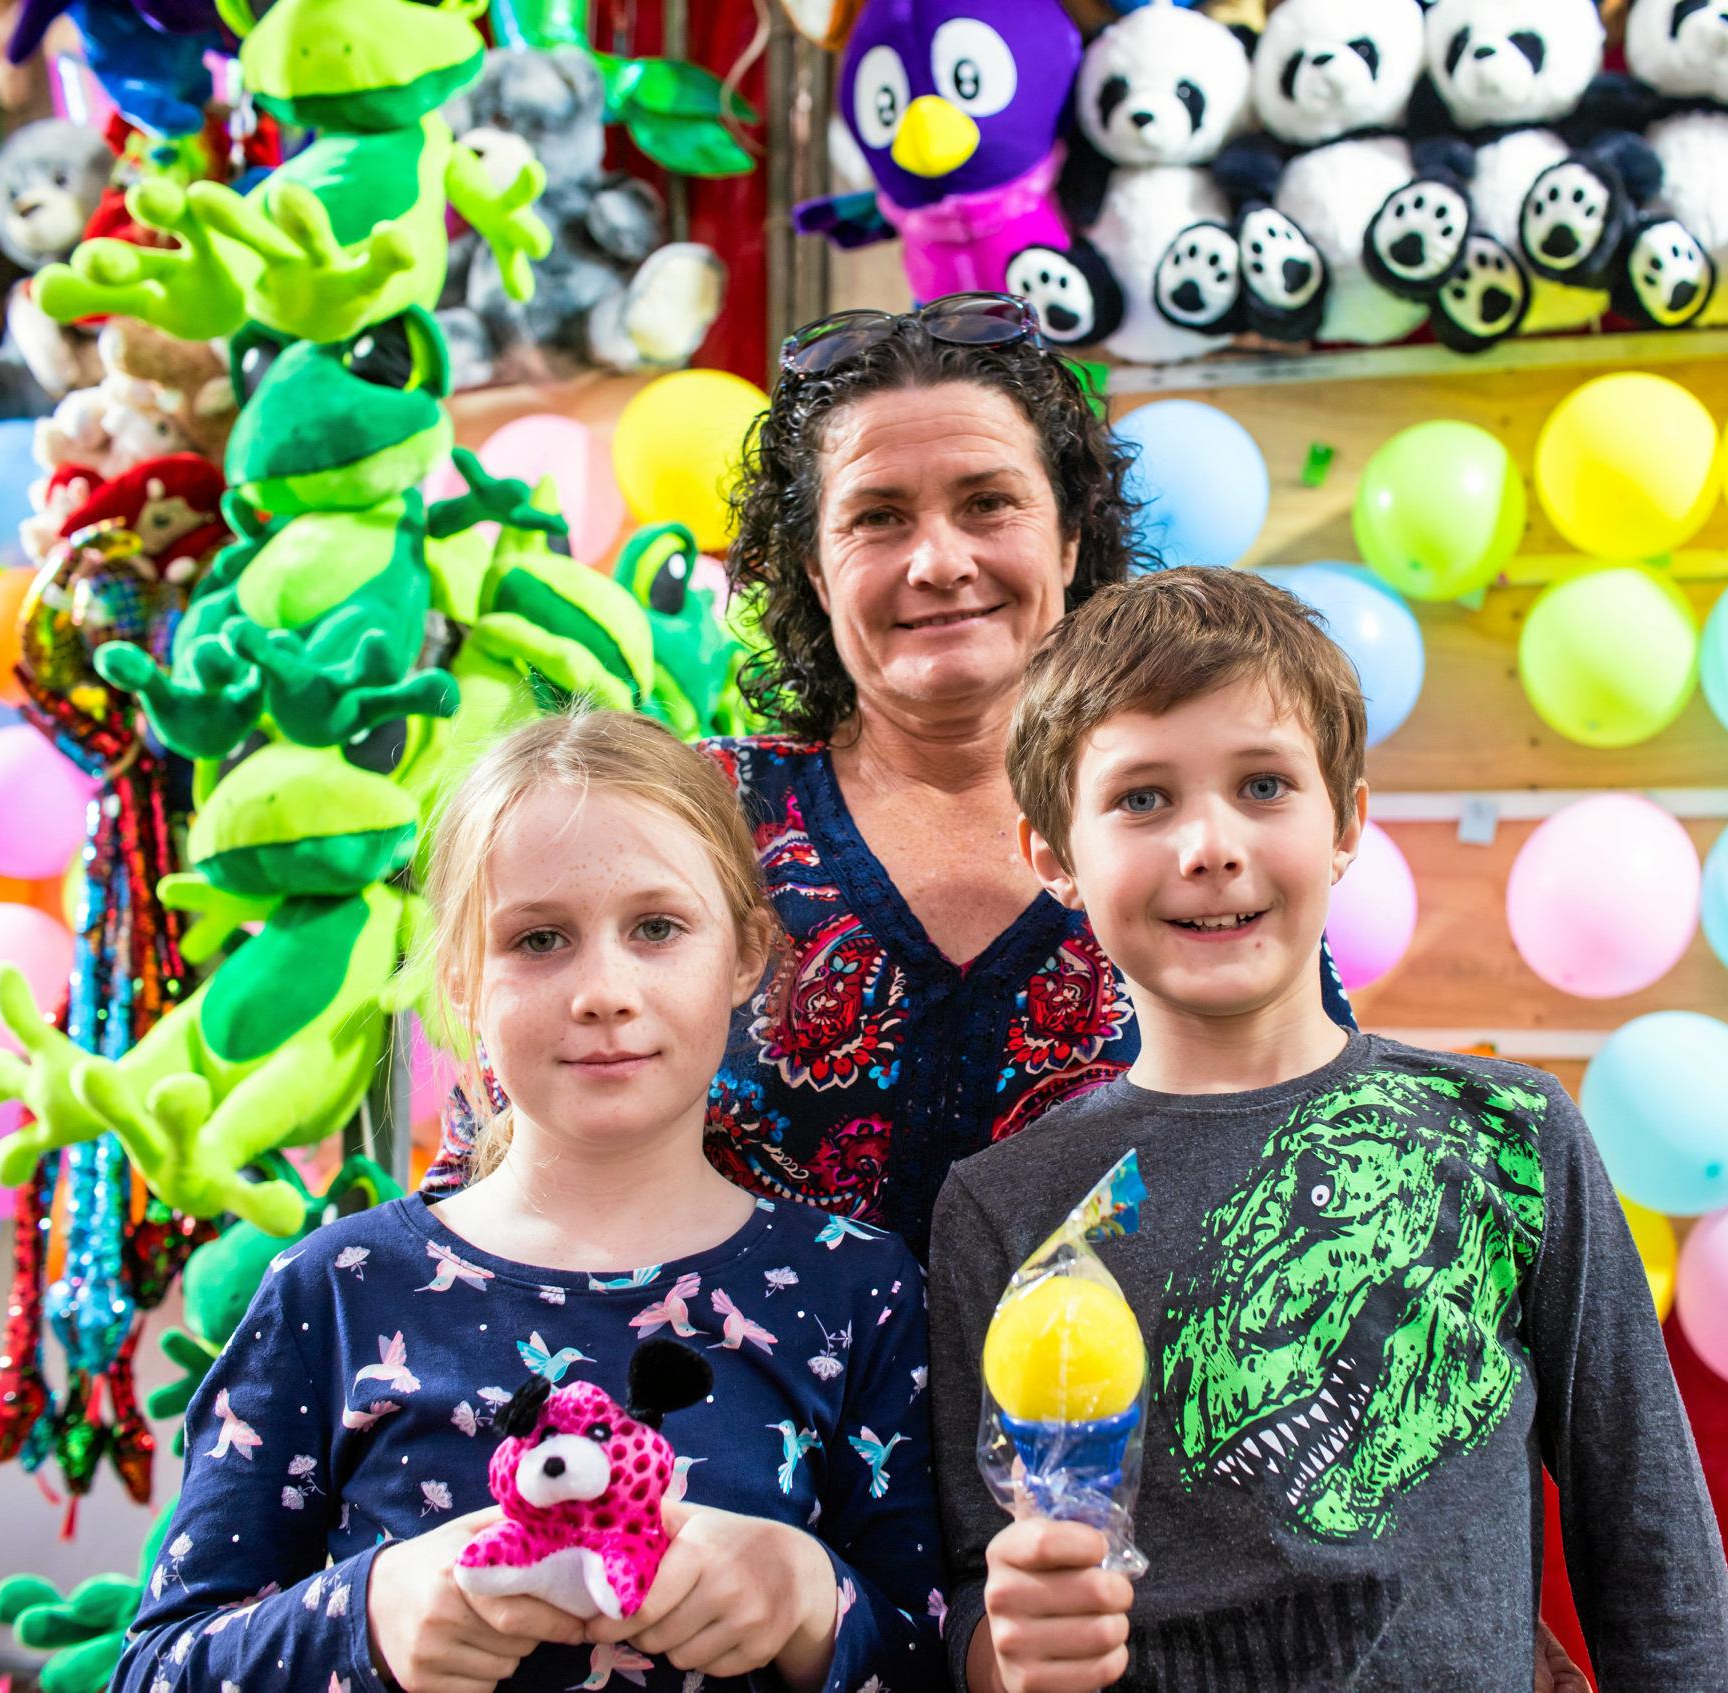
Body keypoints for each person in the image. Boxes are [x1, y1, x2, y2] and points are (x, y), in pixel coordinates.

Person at [926, 568, 1728, 1692]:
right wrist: (1005, 1640)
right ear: (1053, 854)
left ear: (1349, 819)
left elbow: (1648, 1539)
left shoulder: (1509, 1134)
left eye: (1263, 784)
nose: (1208, 845)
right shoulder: (1002, 1203)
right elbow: (982, 1581)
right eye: (1142, 798)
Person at [424, 292, 1353, 1261]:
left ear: (1069, 540)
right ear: (817, 573)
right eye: (878, 517)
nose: (939, 561)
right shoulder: (684, 822)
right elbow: (482, 1188)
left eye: (988, 502)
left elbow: (1301, 1176)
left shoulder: (1194, 851)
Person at [116, 712, 941, 1693]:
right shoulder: (336, 1290)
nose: (603, 989)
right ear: (463, 981)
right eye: (538, 938)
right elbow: (160, 1669)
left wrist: (812, 1603)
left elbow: (945, 1662)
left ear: (746, 954)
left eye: (658, 927)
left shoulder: (856, 1289)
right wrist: (371, 1614)